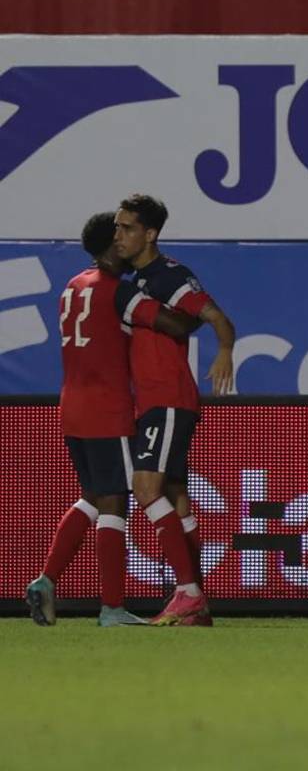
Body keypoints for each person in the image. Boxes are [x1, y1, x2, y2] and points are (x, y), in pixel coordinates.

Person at [26, 212, 196, 627]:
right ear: (111, 246)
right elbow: (174, 324)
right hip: (108, 410)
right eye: (119, 237)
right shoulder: (119, 291)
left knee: (92, 496)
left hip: (71, 406)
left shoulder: (72, 286)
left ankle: (46, 580)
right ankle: (114, 607)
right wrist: (199, 310)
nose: (125, 243)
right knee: (118, 501)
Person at [113, 194, 236, 626]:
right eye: (117, 227)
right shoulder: (134, 279)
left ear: (150, 234)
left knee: (145, 488)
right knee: (175, 498)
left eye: (127, 228)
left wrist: (224, 351)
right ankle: (197, 607)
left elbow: (218, 317)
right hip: (154, 401)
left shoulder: (169, 275)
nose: (119, 235)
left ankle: (188, 592)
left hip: (167, 400)